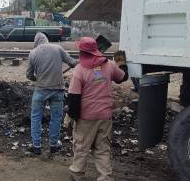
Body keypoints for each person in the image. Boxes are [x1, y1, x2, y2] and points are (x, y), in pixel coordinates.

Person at [66, 37, 128, 181]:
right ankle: (105, 177)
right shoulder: (109, 65)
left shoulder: (79, 70)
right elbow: (122, 78)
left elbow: (74, 99)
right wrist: (122, 64)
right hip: (105, 116)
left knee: (81, 147)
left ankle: (77, 175)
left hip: (86, 117)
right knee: (102, 149)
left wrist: (72, 117)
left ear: (81, 51)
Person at [26, 32, 77, 155]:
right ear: (46, 39)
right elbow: (73, 63)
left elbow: (29, 75)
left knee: (36, 118)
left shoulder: (33, 53)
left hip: (41, 90)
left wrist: (36, 79)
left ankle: (36, 146)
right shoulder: (57, 48)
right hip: (57, 90)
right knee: (56, 118)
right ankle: (53, 145)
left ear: (36, 42)